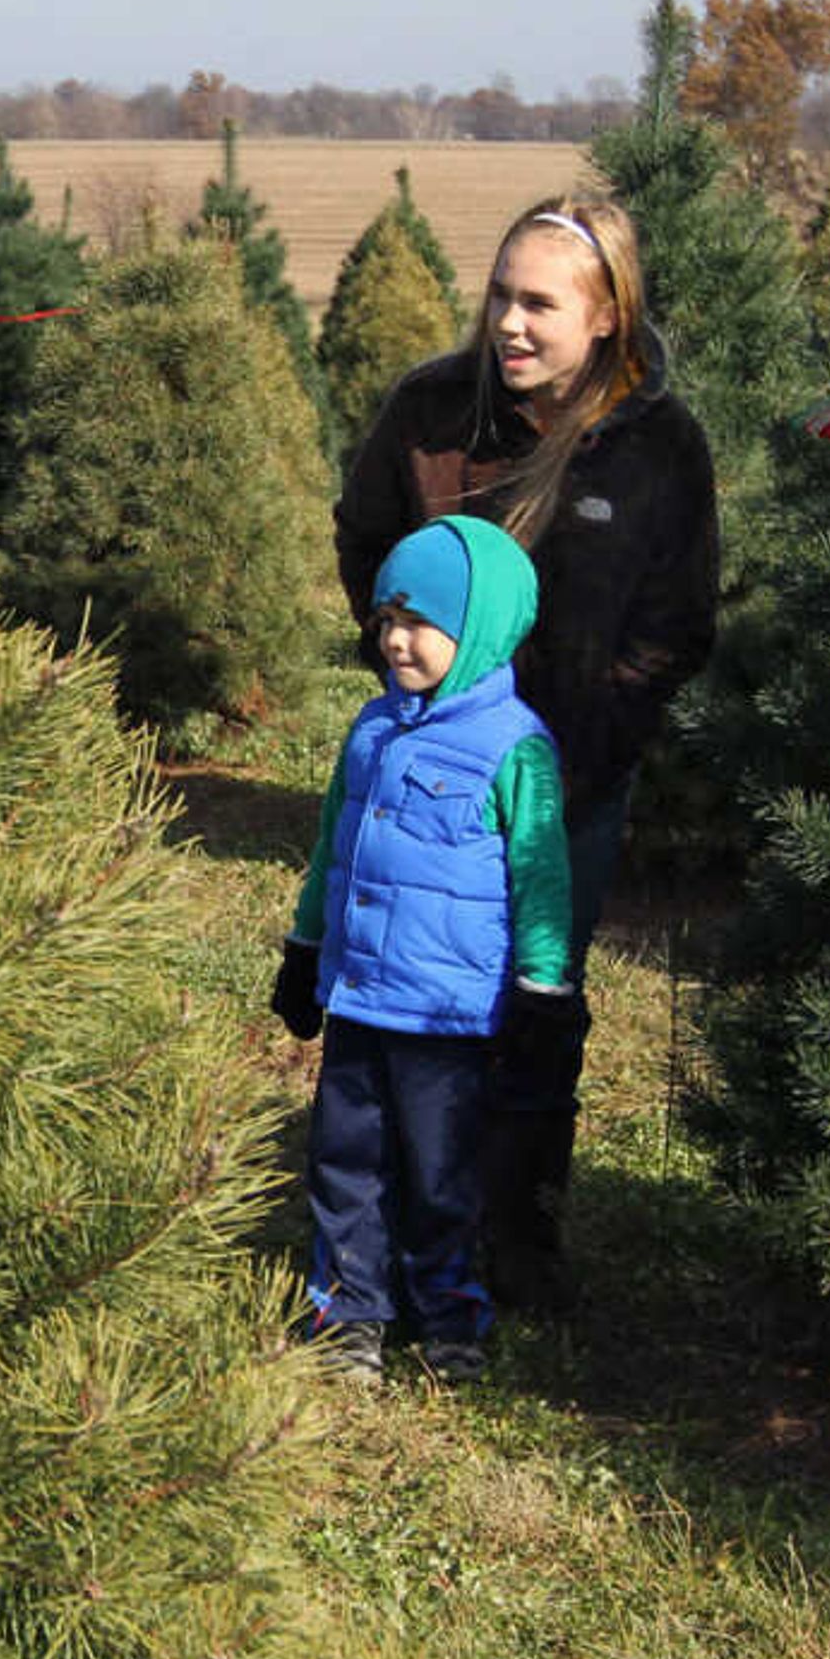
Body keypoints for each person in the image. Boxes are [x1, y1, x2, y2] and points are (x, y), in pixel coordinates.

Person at [328, 194, 715, 1314]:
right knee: (405, 994)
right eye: (502, 293)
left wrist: (598, 738)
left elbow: (678, 620)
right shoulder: (432, 413)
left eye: (540, 303)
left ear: (606, 318)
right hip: (427, 773)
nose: (511, 321)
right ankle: (394, 1228)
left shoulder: (654, 447)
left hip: (566, 789)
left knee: (536, 997)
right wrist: (404, 666)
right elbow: (364, 539)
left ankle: (520, 1230)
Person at [268, 515, 574, 1382]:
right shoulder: (370, 730)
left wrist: (543, 987)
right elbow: (334, 845)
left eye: (419, 622)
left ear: (476, 625)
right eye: (385, 619)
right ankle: (349, 1313)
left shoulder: (515, 747)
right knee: (345, 1160)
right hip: (362, 997)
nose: (396, 639)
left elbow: (542, 876)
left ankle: (448, 1316)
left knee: (441, 1174)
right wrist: (305, 946)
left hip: (449, 1014)